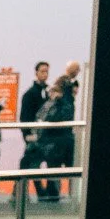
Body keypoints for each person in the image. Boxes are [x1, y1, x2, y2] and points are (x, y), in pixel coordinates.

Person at [35, 72, 76, 202]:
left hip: (55, 142)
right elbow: (47, 116)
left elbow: (46, 117)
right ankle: (53, 196)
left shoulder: (59, 102)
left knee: (54, 172)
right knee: (54, 172)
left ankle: (53, 196)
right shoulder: (63, 102)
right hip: (57, 142)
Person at [20, 60, 50, 135]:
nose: (45, 74)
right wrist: (27, 135)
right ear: (36, 73)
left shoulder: (49, 92)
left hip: (47, 135)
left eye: (47, 72)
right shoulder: (29, 94)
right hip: (33, 134)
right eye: (42, 71)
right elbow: (25, 118)